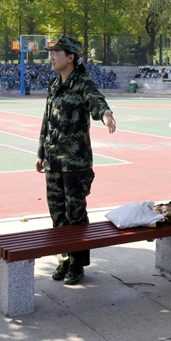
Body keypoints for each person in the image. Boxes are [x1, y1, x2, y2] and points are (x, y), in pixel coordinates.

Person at [36, 36, 116, 286]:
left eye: (56, 53)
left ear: (70, 57)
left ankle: (77, 262)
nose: (51, 57)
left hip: (75, 164)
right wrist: (41, 153)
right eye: (50, 52)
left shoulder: (82, 83)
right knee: (57, 214)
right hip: (53, 162)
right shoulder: (54, 83)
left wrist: (105, 113)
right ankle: (64, 258)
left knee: (75, 214)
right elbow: (47, 121)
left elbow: (96, 99)